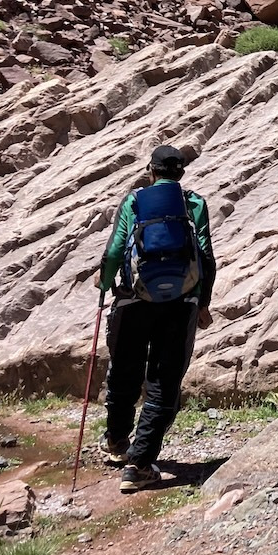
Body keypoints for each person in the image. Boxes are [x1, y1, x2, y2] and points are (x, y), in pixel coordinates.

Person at [95, 144, 216, 492]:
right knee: (163, 383)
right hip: (180, 305)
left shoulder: (135, 202)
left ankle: (117, 442)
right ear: (180, 174)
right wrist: (202, 302)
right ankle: (139, 464)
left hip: (133, 301)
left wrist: (105, 284)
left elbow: (116, 249)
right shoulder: (194, 203)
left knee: (124, 371)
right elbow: (206, 257)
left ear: (151, 171)